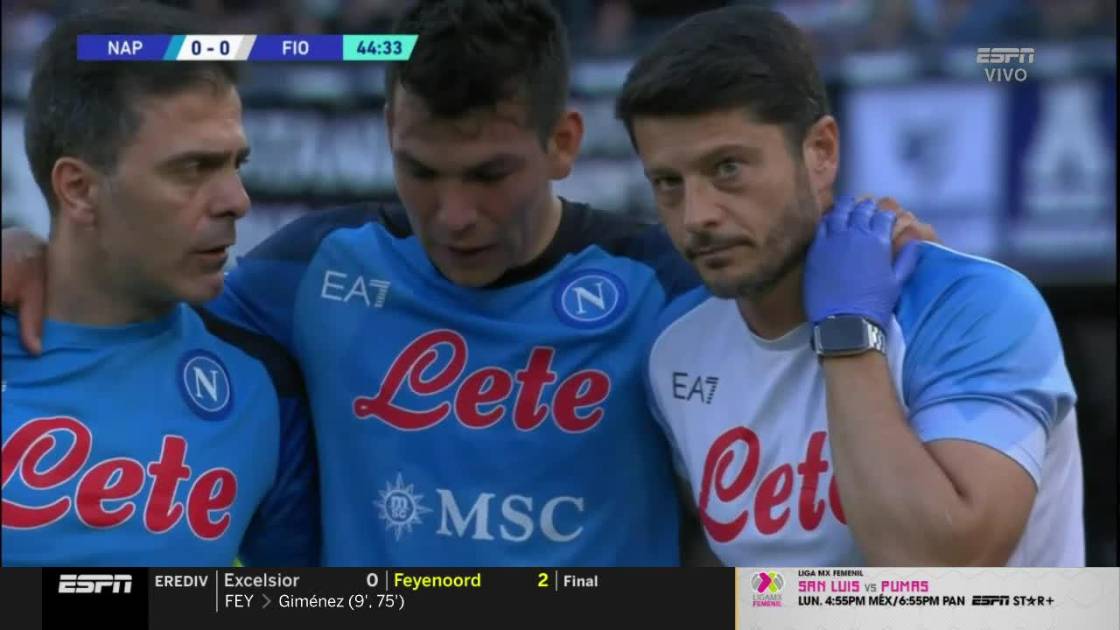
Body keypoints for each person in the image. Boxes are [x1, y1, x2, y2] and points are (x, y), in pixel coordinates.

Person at [2, 0, 932, 566]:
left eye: (490, 176)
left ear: (563, 143)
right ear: (388, 135)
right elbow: (115, 303)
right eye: (421, 171)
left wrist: (880, 257)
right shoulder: (310, 272)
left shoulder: (667, 287)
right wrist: (24, 248)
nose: (453, 215)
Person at [617, 6, 1084, 566]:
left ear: (821, 151)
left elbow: (941, 572)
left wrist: (847, 331)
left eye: (728, 168)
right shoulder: (675, 349)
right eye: (668, 182)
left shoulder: (973, 306)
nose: (697, 216)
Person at [1, 4, 319, 566]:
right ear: (78, 188)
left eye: (236, 164)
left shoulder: (264, 382)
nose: (237, 200)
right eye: (193, 168)